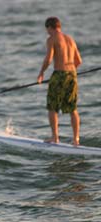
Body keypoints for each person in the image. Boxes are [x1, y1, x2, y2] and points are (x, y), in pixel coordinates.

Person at [37, 17, 82, 146]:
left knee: (52, 107)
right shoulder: (70, 39)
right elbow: (78, 61)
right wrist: (70, 72)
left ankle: (55, 138)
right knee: (73, 108)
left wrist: (41, 73)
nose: (47, 33)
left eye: (47, 30)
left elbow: (49, 59)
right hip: (72, 74)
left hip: (59, 74)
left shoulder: (52, 39)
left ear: (50, 27)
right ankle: (76, 140)